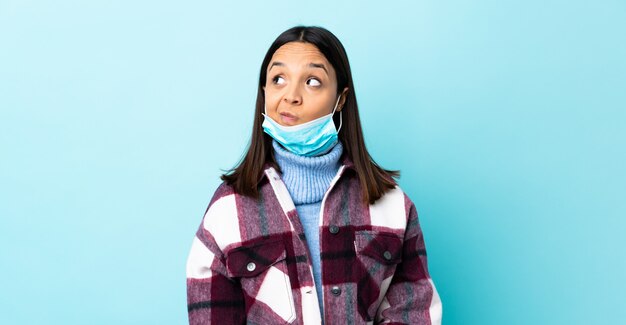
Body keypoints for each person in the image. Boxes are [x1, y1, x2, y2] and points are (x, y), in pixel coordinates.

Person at [186, 25, 442, 325]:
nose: (291, 96)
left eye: (312, 81)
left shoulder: (393, 206)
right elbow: (211, 316)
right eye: (278, 79)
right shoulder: (228, 209)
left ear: (341, 99)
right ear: (264, 91)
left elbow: (414, 313)